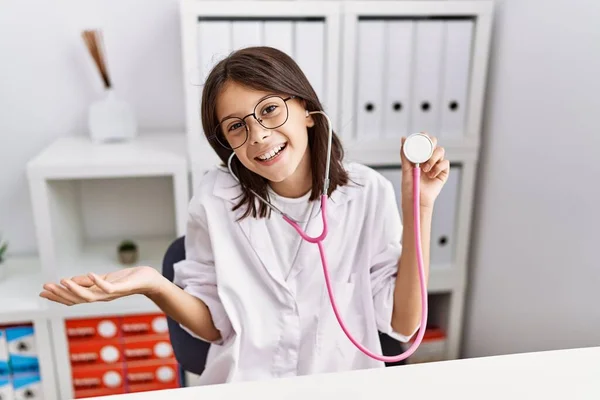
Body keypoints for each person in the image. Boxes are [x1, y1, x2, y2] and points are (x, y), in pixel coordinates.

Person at [39, 46, 449, 385]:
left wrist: (421, 206)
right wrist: (153, 284)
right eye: (236, 127)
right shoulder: (215, 199)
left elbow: (402, 324)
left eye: (270, 110)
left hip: (340, 381)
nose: (259, 137)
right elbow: (214, 327)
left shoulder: (366, 193)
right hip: (244, 381)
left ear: (306, 109)